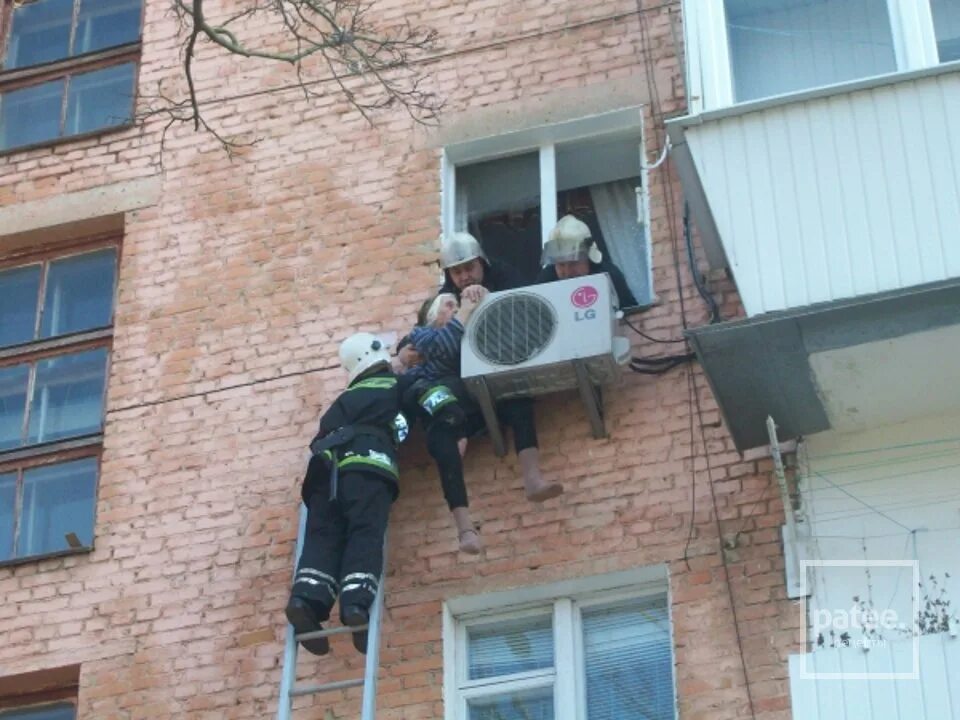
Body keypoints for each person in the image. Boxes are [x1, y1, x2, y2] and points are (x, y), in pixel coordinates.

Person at [285, 332, 412, 656]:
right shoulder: (394, 386)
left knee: (323, 537)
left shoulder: (343, 400)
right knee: (364, 533)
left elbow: (319, 438)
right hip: (367, 467)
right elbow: (416, 414)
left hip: (324, 474)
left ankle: (306, 602)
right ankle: (356, 605)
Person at [437, 232, 563, 503]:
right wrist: (403, 351)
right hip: (470, 384)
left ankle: (533, 480)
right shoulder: (445, 297)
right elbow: (426, 326)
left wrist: (490, 299)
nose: (464, 277)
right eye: (456, 272)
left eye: (469, 268)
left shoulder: (504, 274)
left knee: (520, 406)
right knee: (447, 409)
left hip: (508, 366)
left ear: (482, 262)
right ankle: (452, 492)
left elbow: (531, 306)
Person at [394, 292, 483, 555]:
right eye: (448, 305)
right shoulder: (421, 336)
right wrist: (467, 309)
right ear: (431, 314)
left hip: (443, 408)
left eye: (457, 306)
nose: (455, 309)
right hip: (422, 391)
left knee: (442, 442)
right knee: (448, 411)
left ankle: (465, 528)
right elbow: (445, 344)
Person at [536, 214, 638, 308]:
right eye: (561, 264)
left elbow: (632, 314)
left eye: (573, 263)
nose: (567, 272)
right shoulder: (546, 281)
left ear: (589, 257)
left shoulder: (608, 275)